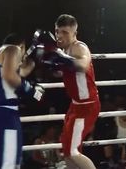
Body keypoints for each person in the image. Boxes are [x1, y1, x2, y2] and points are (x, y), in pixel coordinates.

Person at [37, 14, 101, 169]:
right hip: (75, 106)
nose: (59, 35)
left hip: (87, 106)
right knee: (67, 150)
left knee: (72, 151)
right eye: (58, 31)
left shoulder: (79, 47)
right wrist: (52, 63)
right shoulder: (63, 50)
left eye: (65, 32)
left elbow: (83, 64)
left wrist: (62, 58)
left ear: (74, 33)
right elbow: (62, 73)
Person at [0, 32, 44, 169]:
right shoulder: (12, 49)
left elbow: (16, 73)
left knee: (7, 163)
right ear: (21, 46)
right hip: (4, 115)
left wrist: (31, 65)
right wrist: (30, 89)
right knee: (8, 166)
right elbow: (10, 76)